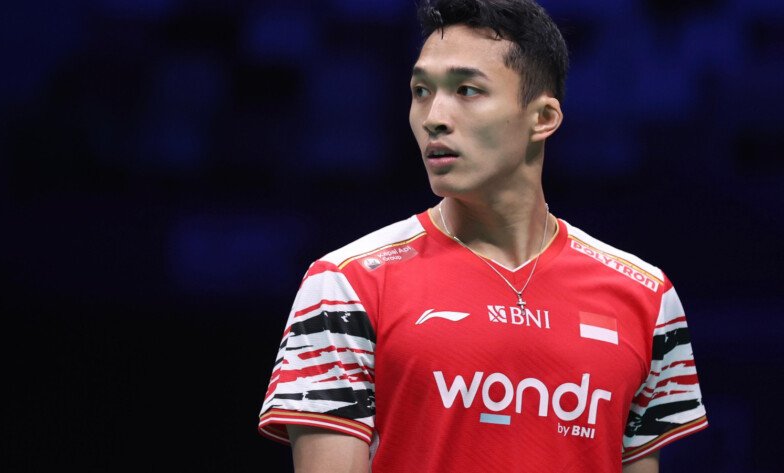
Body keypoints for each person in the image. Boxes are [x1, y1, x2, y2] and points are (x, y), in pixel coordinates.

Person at [257, 0, 708, 471]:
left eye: (467, 90)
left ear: (543, 117)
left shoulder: (646, 299)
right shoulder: (346, 285)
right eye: (421, 91)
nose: (434, 116)